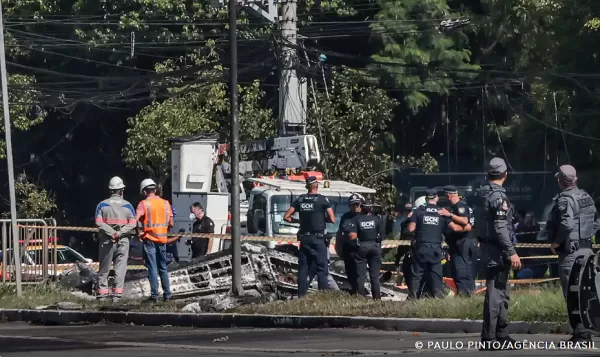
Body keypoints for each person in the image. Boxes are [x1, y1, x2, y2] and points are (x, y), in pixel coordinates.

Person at [546, 165, 600, 343]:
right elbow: (597, 221)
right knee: (586, 292)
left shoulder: (565, 199)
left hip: (571, 253)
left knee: (572, 293)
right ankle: (586, 331)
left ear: (561, 181)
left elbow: (567, 224)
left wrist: (557, 242)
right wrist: (586, 236)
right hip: (587, 250)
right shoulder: (586, 196)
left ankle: (581, 333)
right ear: (575, 179)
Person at [476, 157, 521, 350]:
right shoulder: (498, 196)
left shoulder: (483, 193)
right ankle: (489, 338)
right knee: (495, 294)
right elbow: (501, 226)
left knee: (502, 292)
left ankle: (502, 334)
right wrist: (511, 251)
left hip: (489, 247)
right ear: (505, 175)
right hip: (498, 249)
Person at [407, 189, 467, 299]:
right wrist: (468, 227)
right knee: (436, 276)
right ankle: (438, 299)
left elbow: (411, 229)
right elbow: (456, 228)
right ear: (437, 199)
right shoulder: (442, 213)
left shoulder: (418, 211)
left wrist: (412, 219)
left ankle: (413, 298)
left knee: (416, 275)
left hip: (421, 248)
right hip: (435, 249)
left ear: (426, 199)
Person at [284, 176, 335, 297]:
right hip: (318, 239)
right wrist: (322, 219)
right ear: (316, 185)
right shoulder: (322, 200)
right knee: (322, 268)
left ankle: (302, 296)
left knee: (303, 269)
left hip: (305, 239)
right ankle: (323, 296)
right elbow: (332, 219)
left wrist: (298, 221)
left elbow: (286, 216)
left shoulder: (300, 199)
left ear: (307, 186)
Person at [95, 176, 137, 301]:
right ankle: (116, 296)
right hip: (123, 241)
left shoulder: (102, 205)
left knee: (104, 268)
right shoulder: (128, 206)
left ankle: (102, 295)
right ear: (122, 190)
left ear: (110, 191)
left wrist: (112, 232)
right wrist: (119, 233)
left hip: (107, 240)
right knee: (120, 269)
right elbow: (133, 223)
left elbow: (98, 222)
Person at [136, 178, 174, 303]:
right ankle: (167, 295)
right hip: (162, 239)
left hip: (150, 239)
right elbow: (171, 223)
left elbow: (135, 220)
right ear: (155, 189)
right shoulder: (165, 203)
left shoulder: (143, 204)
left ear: (144, 191)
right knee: (163, 267)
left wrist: (139, 231)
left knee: (152, 267)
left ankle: (154, 296)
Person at [438, 185, 476, 296]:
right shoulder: (457, 207)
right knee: (462, 270)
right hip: (458, 244)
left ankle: (465, 294)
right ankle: (467, 293)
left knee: (461, 271)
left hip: (462, 243)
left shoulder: (460, 206)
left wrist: (449, 215)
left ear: (448, 195)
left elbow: (464, 221)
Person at [345, 201, 385, 299]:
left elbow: (352, 236)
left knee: (360, 275)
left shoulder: (356, 219)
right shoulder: (377, 219)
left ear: (362, 208)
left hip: (362, 246)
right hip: (375, 246)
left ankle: (360, 297)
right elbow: (381, 235)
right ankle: (377, 298)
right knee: (375, 275)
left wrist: (347, 239)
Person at [336, 193, 364, 294]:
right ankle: (354, 289)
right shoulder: (345, 217)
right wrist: (337, 247)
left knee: (359, 273)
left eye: (357, 204)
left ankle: (360, 291)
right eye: (353, 204)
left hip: (360, 249)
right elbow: (339, 233)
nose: (355, 206)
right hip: (348, 249)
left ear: (361, 204)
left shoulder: (365, 216)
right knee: (349, 271)